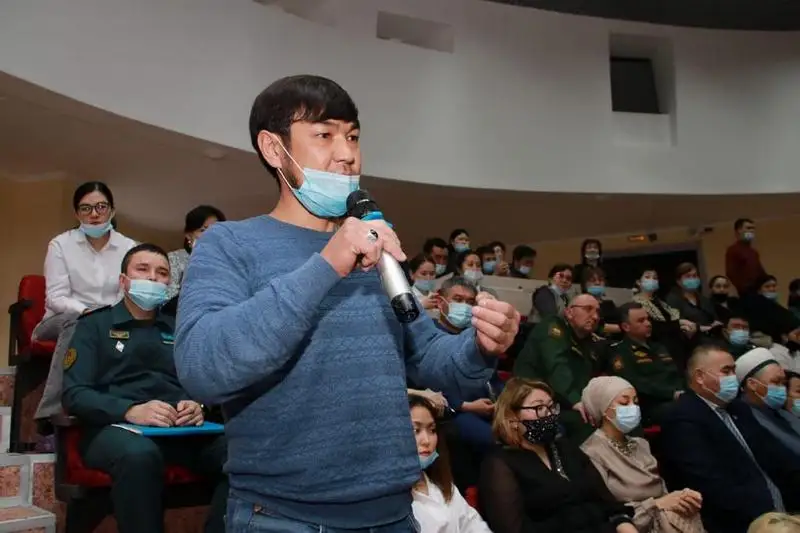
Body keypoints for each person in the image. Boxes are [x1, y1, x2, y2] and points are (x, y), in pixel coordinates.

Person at [174, 75, 520, 532]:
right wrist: (326, 265)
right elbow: (203, 368)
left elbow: (433, 361)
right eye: (324, 135)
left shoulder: (376, 248)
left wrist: (480, 345)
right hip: (283, 517)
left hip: (394, 512)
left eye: (353, 136)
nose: (347, 153)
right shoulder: (230, 244)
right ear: (274, 149)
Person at [62, 243, 227, 533]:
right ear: (123, 281)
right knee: (139, 455)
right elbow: (75, 394)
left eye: (162, 273)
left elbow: (203, 382)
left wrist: (198, 405)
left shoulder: (178, 328)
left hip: (179, 432)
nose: (152, 277)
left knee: (241, 450)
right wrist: (130, 410)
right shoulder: (94, 326)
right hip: (114, 429)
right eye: (143, 269)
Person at [660, 344, 800, 533]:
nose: (733, 377)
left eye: (734, 370)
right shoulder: (682, 418)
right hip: (737, 520)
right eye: (726, 371)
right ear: (700, 377)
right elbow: (711, 485)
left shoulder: (738, 408)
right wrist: (765, 513)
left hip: (780, 508)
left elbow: (775, 454)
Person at [33, 181, 137, 431]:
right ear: (76, 213)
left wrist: (106, 317)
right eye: (86, 208)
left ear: (112, 210)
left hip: (108, 320)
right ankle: (51, 410)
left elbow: (126, 293)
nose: (94, 214)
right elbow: (56, 297)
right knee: (77, 322)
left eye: (101, 207)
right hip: (60, 320)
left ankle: (125, 407)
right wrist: (87, 312)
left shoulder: (128, 247)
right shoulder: (61, 245)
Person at [479, 378, 637, 533]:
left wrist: (625, 526)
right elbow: (513, 529)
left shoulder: (566, 448)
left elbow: (609, 505)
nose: (548, 415)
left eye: (551, 407)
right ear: (512, 418)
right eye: (539, 408)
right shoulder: (500, 464)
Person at [580, 376, 705, 533]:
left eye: (635, 402)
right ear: (603, 408)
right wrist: (656, 505)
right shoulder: (591, 451)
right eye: (624, 403)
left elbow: (662, 492)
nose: (632, 408)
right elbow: (607, 511)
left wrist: (682, 498)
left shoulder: (641, 444)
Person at [514, 294, 603, 442]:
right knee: (582, 422)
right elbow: (556, 367)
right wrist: (576, 401)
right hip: (533, 400)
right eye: (588, 309)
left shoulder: (587, 341)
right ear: (569, 312)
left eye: (598, 312)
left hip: (560, 401)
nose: (595, 316)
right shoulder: (553, 327)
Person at [409, 395, 492, 533]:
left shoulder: (443, 485)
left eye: (432, 430)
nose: (426, 440)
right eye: (415, 430)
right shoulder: (388, 501)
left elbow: (474, 525)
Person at [607, 303, 684, 425]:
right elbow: (635, 384)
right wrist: (671, 394)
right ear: (626, 327)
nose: (648, 324)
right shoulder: (620, 351)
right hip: (649, 406)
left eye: (648, 319)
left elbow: (676, 374)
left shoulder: (659, 347)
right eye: (641, 321)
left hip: (676, 399)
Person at [736, 348, 800, 457]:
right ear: (752, 384)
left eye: (783, 383)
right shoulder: (747, 421)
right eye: (776, 382)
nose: (782, 388)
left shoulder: (781, 412)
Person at [633, 269, 696, 372]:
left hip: (676, 346)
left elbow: (671, 320)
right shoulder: (636, 303)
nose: (652, 280)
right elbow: (654, 328)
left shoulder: (661, 302)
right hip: (658, 349)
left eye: (655, 278)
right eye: (648, 277)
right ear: (638, 282)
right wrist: (678, 324)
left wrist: (685, 326)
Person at [166, 205, 226, 300]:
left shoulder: (227, 260)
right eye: (203, 230)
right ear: (189, 235)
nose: (210, 234)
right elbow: (169, 295)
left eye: (215, 229)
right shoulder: (175, 258)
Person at [666, 263, 722, 335]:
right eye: (688, 276)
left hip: (711, 336)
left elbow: (714, 318)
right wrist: (701, 328)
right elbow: (677, 324)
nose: (692, 279)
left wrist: (716, 323)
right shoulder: (673, 300)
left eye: (695, 276)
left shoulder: (704, 299)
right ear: (678, 281)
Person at [726, 218, 767, 297]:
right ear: (739, 230)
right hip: (746, 293)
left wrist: (767, 283)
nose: (751, 231)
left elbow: (760, 271)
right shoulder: (733, 250)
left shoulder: (753, 252)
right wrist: (744, 289)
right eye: (748, 228)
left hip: (759, 292)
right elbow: (731, 273)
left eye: (753, 228)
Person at [582, 266, 621, 337]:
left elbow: (619, 323)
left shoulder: (609, 304)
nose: (597, 283)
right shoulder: (581, 304)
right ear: (585, 284)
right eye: (593, 280)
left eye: (600, 280)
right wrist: (618, 328)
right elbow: (592, 327)